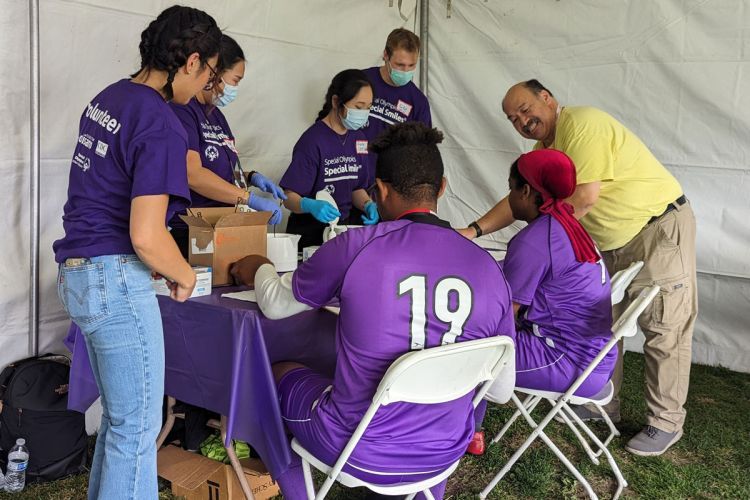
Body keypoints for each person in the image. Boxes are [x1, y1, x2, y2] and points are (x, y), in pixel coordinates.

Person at [230, 122, 515, 500]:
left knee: (275, 374)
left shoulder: (357, 246)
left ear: (379, 191)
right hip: (443, 453)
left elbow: (276, 304)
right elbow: (501, 389)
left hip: (356, 449)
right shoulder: (490, 269)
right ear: (443, 188)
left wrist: (258, 266)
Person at [460, 79, 697, 456]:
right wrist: (473, 230)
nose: (521, 120)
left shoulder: (583, 125)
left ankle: (664, 421)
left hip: (656, 227)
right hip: (606, 240)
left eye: (525, 109)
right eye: (512, 118)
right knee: (603, 321)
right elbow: (526, 199)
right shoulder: (544, 156)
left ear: (547, 98)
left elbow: (583, 198)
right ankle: (600, 403)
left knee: (664, 325)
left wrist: (541, 238)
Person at [52, 6, 221, 498]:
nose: (207, 86)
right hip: (114, 279)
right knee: (137, 428)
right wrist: (183, 273)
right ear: (191, 61)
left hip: (79, 271)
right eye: (210, 74)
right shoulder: (162, 121)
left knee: (122, 423)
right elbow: (146, 235)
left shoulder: (109, 97)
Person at [169, 34, 284, 257]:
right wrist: (248, 198)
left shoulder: (215, 115)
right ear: (215, 70)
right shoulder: (183, 110)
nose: (235, 88)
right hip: (191, 231)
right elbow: (192, 174)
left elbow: (220, 165)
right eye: (235, 80)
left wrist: (250, 177)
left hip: (221, 227)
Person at [280, 69, 379, 250]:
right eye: (358, 107)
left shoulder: (359, 139)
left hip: (341, 230)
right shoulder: (313, 140)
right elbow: (288, 197)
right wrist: (309, 205)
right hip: (310, 234)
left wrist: (368, 204)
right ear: (336, 101)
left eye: (368, 107)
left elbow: (356, 188)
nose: (364, 113)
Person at [361, 28, 432, 184]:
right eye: (400, 65)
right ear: (386, 55)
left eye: (411, 65)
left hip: (388, 185)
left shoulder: (418, 101)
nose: (405, 71)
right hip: (350, 177)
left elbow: (422, 152)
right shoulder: (360, 81)